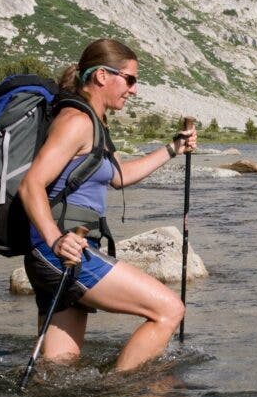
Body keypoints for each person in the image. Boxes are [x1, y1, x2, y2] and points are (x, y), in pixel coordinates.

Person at [18, 38, 197, 372]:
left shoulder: (96, 123)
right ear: (101, 76)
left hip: (58, 253)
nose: (134, 90)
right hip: (63, 251)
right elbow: (31, 184)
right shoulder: (77, 122)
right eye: (129, 79)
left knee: (59, 368)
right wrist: (56, 239)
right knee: (169, 309)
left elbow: (119, 176)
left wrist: (173, 149)